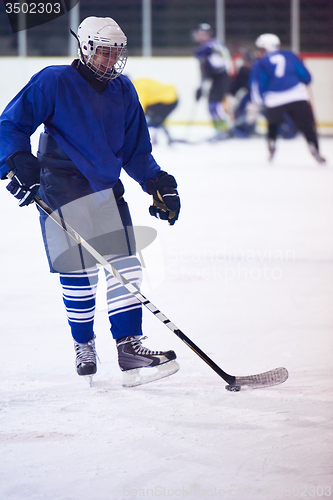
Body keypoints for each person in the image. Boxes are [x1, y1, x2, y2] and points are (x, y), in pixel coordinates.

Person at [0, 16, 181, 387]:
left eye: (116, 53)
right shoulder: (53, 80)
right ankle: (84, 344)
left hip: (105, 189)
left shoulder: (124, 90)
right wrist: (16, 160)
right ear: (84, 48)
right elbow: (11, 125)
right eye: (103, 52)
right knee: (79, 273)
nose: (110, 60)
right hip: (60, 185)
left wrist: (157, 181)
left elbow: (136, 150)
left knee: (125, 266)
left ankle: (129, 347)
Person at [249, 33, 325, 163]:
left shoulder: (260, 62)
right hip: (297, 95)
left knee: (273, 125)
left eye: (261, 49)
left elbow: (257, 84)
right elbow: (306, 77)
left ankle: (271, 144)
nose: (259, 52)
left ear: (265, 48)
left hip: (274, 99)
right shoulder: (290, 55)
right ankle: (314, 148)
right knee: (307, 126)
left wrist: (259, 101)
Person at [192, 23, 231, 140]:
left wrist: (202, 84)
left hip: (220, 78)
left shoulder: (206, 48)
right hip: (219, 78)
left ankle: (224, 131)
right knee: (213, 106)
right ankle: (222, 130)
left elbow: (212, 67)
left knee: (214, 106)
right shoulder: (214, 44)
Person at [132, 78, 178, 145]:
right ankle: (158, 138)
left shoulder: (137, 87)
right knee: (157, 119)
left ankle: (153, 139)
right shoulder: (139, 82)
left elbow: (140, 105)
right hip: (170, 97)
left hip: (168, 100)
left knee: (156, 120)